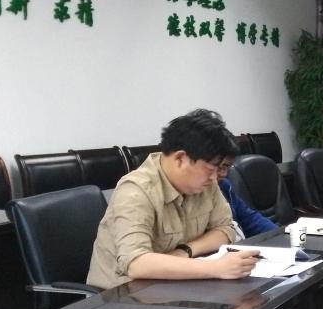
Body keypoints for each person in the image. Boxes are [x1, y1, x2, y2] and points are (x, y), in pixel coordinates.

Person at [87, 109, 260, 290]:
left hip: (176, 284)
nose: (216, 177)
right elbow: (136, 263)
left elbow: (225, 229)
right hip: (122, 295)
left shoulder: (205, 182)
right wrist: (216, 268)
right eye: (211, 169)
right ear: (180, 158)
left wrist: (185, 251)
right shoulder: (135, 191)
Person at [217, 166, 277, 239]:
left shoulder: (224, 185)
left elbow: (248, 218)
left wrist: (277, 234)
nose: (224, 173)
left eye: (227, 166)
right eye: (218, 167)